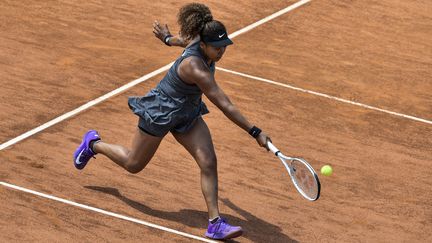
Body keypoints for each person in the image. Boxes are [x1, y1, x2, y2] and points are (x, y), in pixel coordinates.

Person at [73, 3, 270, 240]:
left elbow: (182, 41)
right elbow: (224, 104)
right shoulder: (195, 67)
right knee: (133, 164)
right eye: (217, 48)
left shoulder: (200, 43)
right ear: (204, 45)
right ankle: (94, 144)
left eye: (224, 46)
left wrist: (167, 39)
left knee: (208, 161)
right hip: (161, 110)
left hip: (187, 113)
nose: (221, 52)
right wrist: (255, 131)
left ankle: (215, 223)